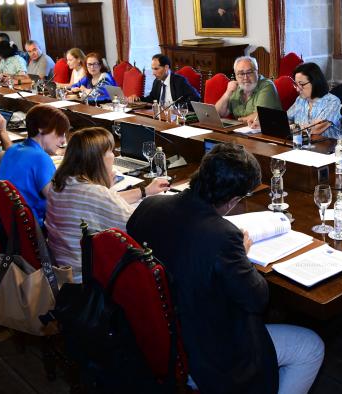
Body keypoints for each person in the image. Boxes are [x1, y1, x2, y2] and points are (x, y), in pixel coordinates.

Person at [127, 143, 325, 394]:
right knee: (311, 347)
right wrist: (242, 253)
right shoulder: (223, 236)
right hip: (205, 356)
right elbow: (257, 300)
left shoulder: (149, 207)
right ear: (232, 200)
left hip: (152, 339)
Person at [46, 127, 169, 279]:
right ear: (98, 159)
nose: (114, 155)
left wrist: (145, 191)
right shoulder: (97, 194)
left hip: (64, 270)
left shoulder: (61, 184)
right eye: (110, 151)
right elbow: (139, 228)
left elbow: (100, 202)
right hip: (89, 280)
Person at [0, 105, 69, 227]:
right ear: (42, 129)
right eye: (59, 133)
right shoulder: (40, 158)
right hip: (32, 229)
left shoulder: (13, 149)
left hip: (7, 225)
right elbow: (57, 204)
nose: (63, 141)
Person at [215, 56, 281, 126]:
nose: (245, 78)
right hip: (239, 132)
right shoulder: (235, 87)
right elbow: (218, 114)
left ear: (257, 72)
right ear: (236, 75)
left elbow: (261, 116)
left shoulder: (267, 86)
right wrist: (227, 93)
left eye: (249, 72)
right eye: (241, 73)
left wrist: (238, 122)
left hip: (264, 132)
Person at [286, 62, 342, 140]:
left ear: (315, 82)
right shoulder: (300, 100)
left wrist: (292, 128)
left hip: (331, 147)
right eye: (296, 84)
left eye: (302, 84)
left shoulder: (332, 102)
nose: (297, 89)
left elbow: (316, 129)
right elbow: (286, 120)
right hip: (304, 145)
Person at [128, 53, 200, 106]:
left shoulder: (179, 81)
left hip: (175, 117)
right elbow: (152, 99)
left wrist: (179, 107)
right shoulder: (157, 81)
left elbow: (196, 97)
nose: (153, 73)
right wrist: (138, 99)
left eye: (156, 69)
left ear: (166, 68)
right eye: (152, 69)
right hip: (160, 116)